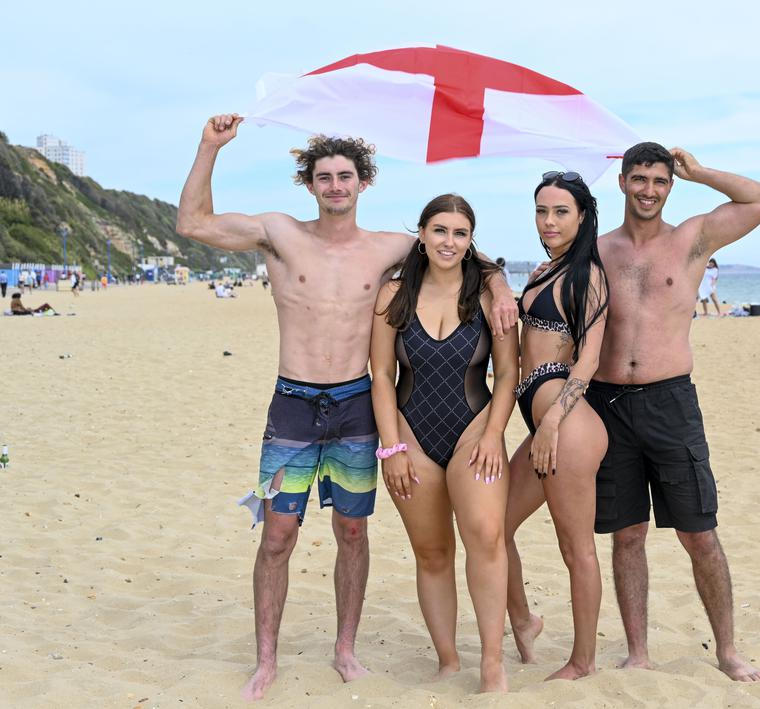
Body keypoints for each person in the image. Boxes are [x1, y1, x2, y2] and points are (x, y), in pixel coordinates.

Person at [175, 113, 516, 701]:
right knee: (277, 535)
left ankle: (346, 650)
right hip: (293, 403)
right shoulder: (279, 233)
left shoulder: (389, 248)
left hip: (356, 404)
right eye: (325, 177)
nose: (336, 186)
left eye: (346, 176)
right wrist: (210, 147)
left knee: (352, 532)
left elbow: (454, 248)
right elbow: (192, 222)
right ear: (309, 183)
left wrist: (502, 284)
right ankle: (265, 660)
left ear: (364, 184)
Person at [586, 142, 760, 681]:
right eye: (640, 179)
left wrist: (700, 172)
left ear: (670, 186)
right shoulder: (597, 249)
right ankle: (638, 651)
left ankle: (727, 651)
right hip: (607, 405)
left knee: (699, 533)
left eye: (660, 181)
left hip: (670, 401)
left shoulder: (692, 239)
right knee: (627, 535)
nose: (649, 190)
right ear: (622, 181)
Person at [370, 194, 518, 693]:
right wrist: (391, 448)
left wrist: (495, 434)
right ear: (422, 234)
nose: (448, 241)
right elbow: (381, 377)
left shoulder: (486, 298)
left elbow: (509, 374)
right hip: (411, 435)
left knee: (486, 536)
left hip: (474, 430)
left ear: (471, 240)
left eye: (459, 233)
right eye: (439, 230)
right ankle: (449, 660)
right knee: (432, 552)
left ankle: (492, 664)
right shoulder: (394, 295)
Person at [504, 171, 609, 681]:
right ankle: (524, 621)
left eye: (560, 211)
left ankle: (583, 662)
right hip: (543, 416)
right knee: (493, 527)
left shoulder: (587, 273)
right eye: (542, 211)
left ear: (583, 216)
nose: (549, 221)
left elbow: (587, 359)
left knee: (576, 549)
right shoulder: (545, 270)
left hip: (565, 423)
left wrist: (550, 424)